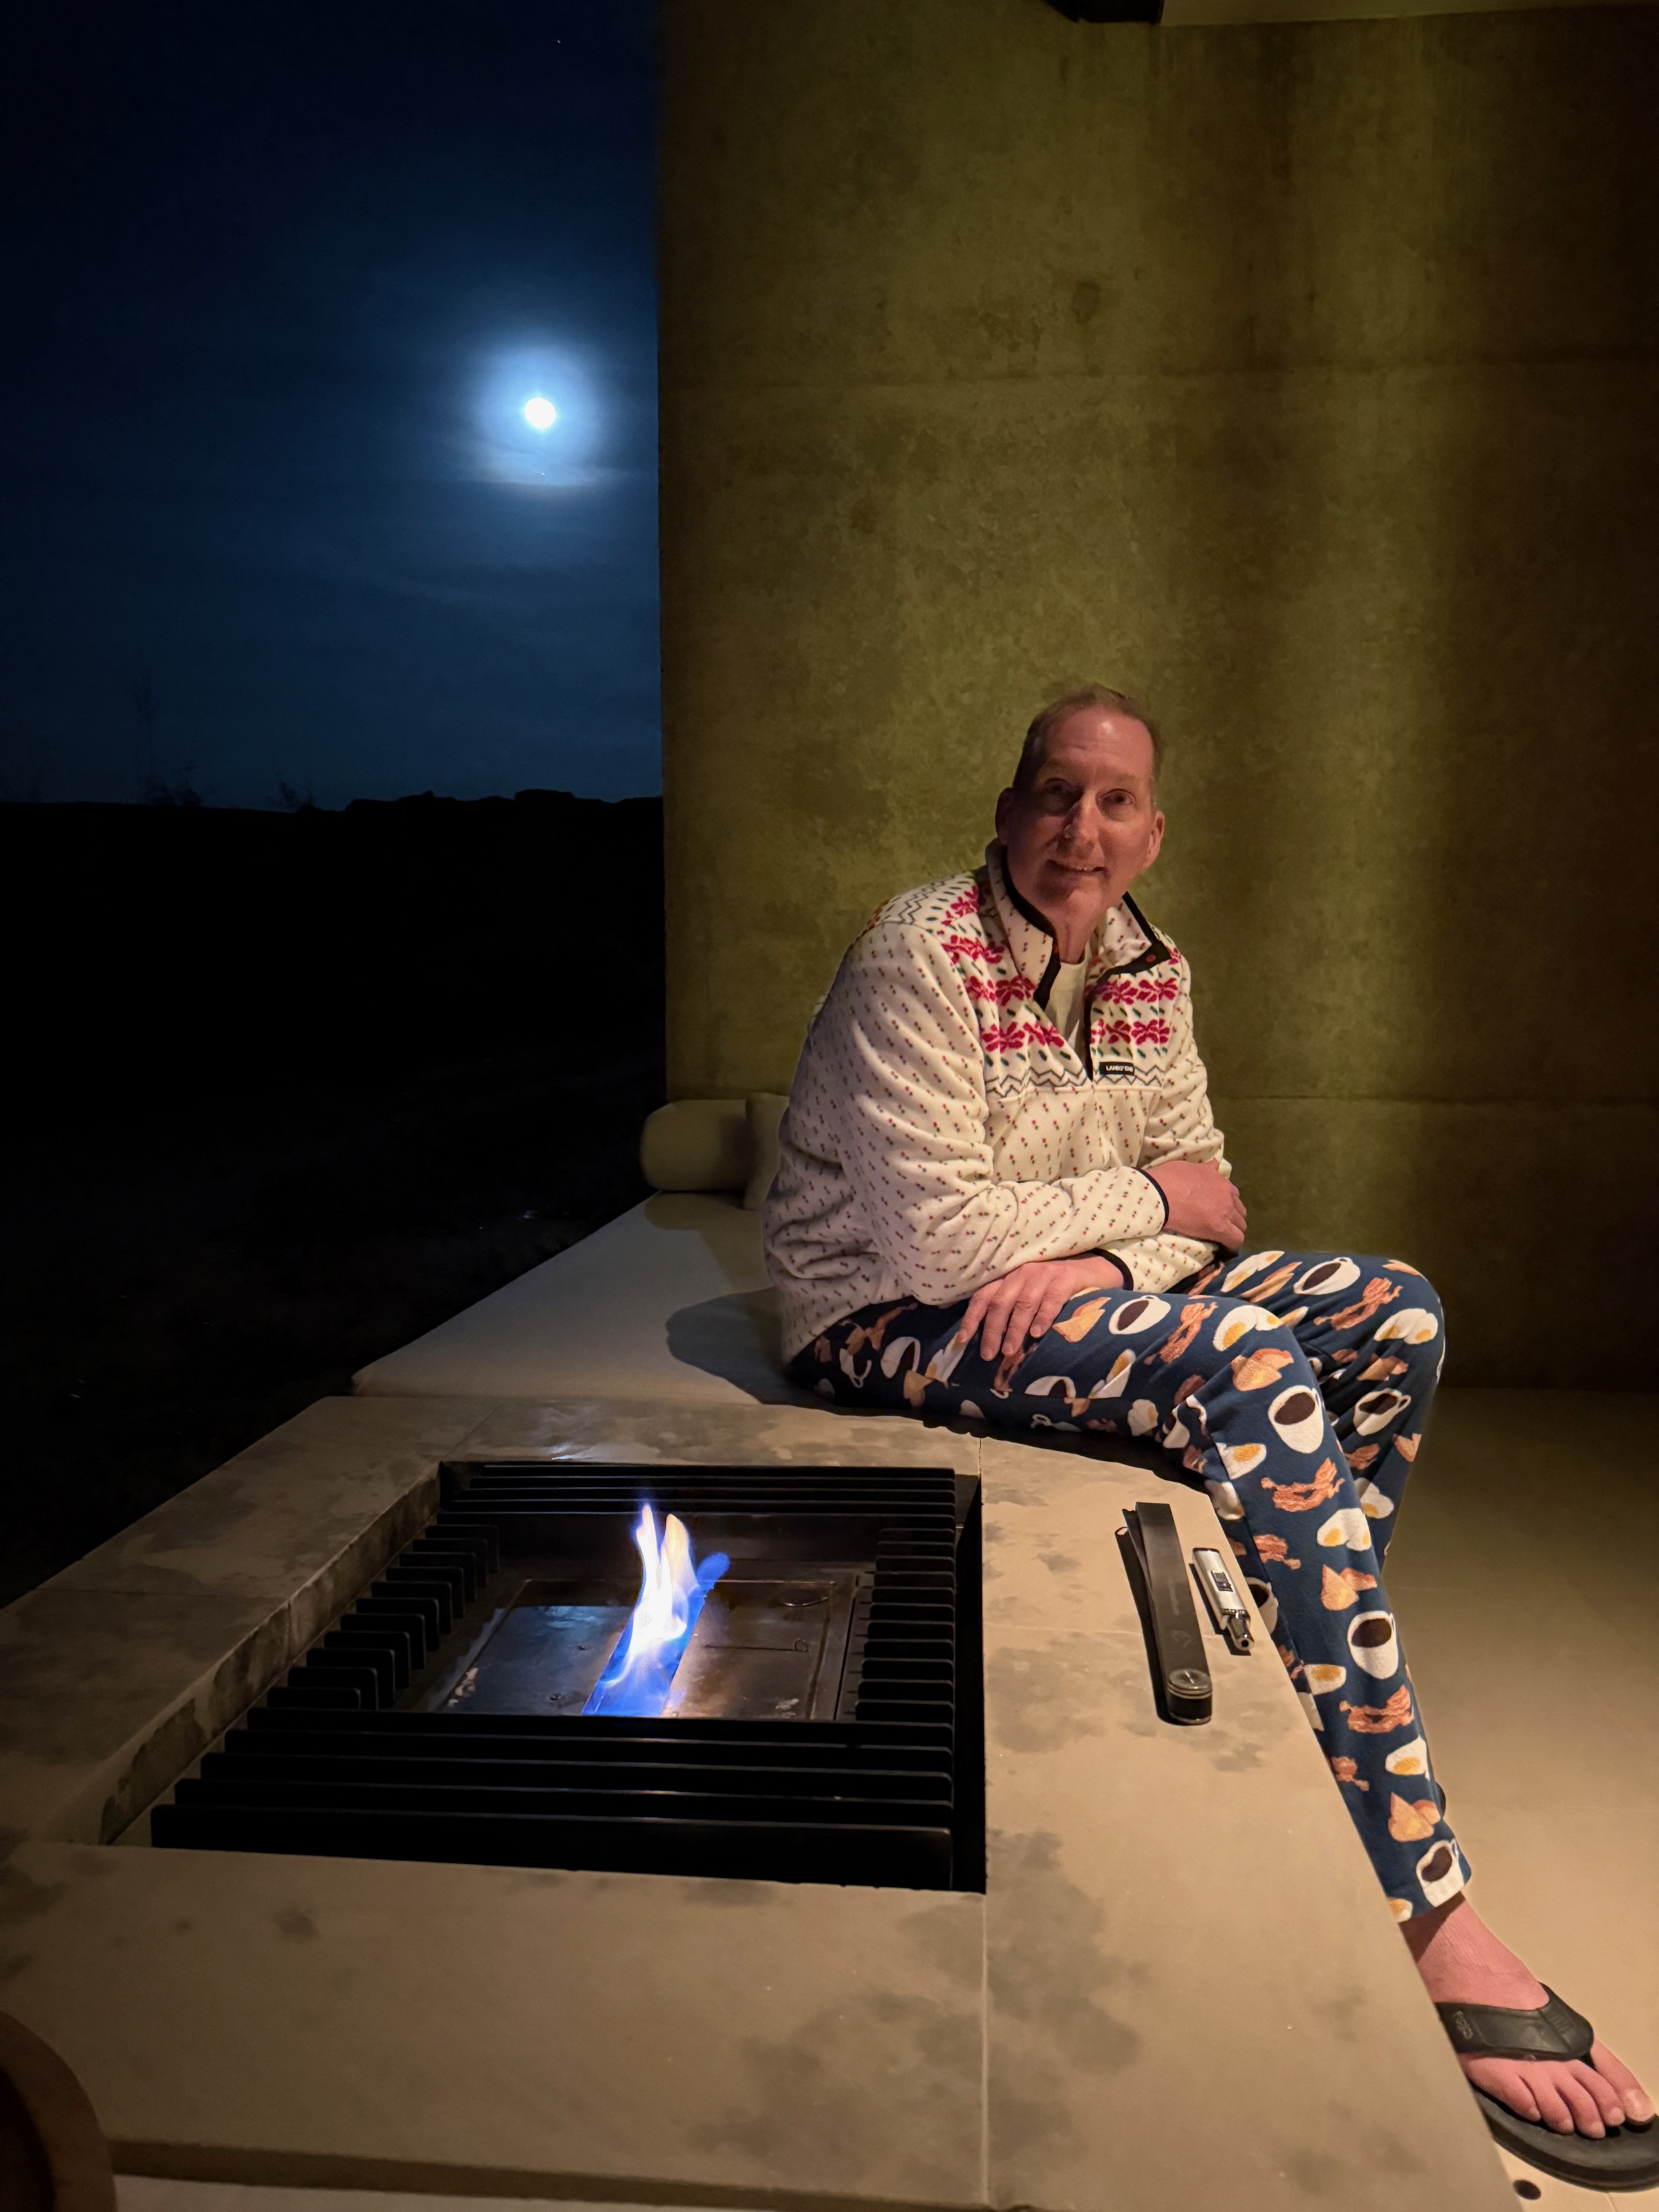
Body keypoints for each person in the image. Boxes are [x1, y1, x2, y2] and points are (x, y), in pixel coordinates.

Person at [763, 684, 1653, 2187]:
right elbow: (939, 1242)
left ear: (1152, 831)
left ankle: (1303, 1700)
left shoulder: (1154, 969)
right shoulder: (918, 952)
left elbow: (1216, 1198)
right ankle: (1426, 1907)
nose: (1082, 826)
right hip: (882, 1312)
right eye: (1057, 792)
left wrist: (1111, 1256)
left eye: (1115, 802)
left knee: (1395, 1313)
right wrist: (1145, 1212)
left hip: (1050, 1294)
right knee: (1244, 1356)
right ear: (1008, 810)